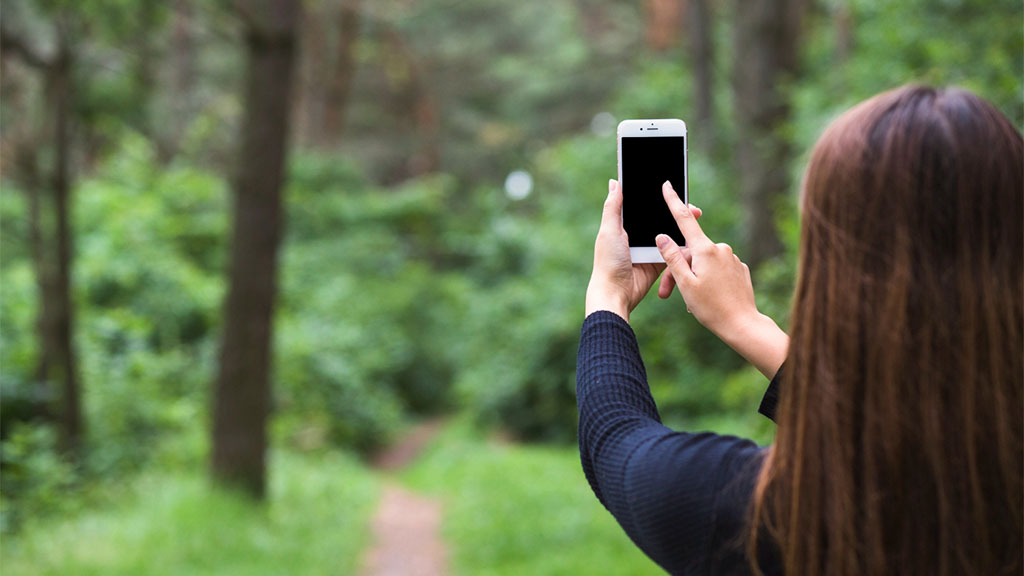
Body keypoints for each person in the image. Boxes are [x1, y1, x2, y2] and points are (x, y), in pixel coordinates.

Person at [577, 85, 1022, 576]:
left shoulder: (760, 512)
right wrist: (747, 325)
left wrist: (608, 297)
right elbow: (883, 427)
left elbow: (613, 440)